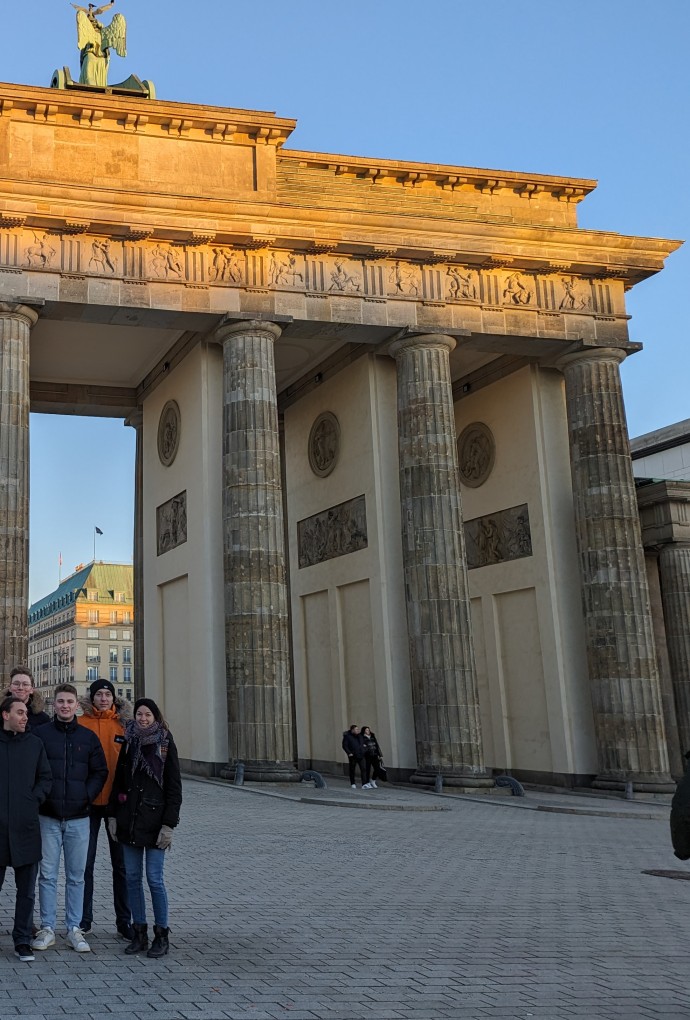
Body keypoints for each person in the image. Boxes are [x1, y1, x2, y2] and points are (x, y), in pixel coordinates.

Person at [31, 684, 108, 954]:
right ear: (55, 704)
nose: (65, 706)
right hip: (48, 816)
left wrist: (85, 796)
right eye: (61, 701)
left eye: (69, 702)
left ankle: (74, 927)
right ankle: (47, 927)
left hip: (79, 817)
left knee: (76, 876)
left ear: (77, 705)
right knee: (48, 875)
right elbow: (33, 770)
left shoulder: (88, 737)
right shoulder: (40, 735)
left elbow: (100, 771)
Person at [108, 698, 182, 958]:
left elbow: (174, 787)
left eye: (147, 714)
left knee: (154, 879)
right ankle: (139, 932)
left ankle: (161, 934)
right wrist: (113, 816)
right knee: (132, 878)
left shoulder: (164, 742)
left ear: (155, 716)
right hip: (129, 820)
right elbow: (118, 780)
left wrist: (169, 825)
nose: (142, 718)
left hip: (154, 821)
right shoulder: (129, 740)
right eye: (139, 714)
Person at [78, 679, 133, 940]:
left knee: (121, 866)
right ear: (92, 697)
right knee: (84, 865)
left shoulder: (124, 725)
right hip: (87, 804)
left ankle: (125, 921)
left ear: (113, 698)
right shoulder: (81, 724)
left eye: (107, 693)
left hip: (116, 806)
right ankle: (83, 920)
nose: (103, 698)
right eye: (98, 694)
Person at [0, 696, 52, 962]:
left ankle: (22, 940)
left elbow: (46, 777)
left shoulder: (35, 744)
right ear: (5, 715)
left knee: (27, 891)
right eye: (19, 712)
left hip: (26, 828)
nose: (25, 717)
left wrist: (35, 798)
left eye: (26, 713)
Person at [4, 667, 50, 732]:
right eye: (16, 684)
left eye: (25, 684)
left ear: (31, 689)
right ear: (10, 688)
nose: (20, 688)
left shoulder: (43, 719)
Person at [342, 724, 366, 789]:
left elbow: (363, 743)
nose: (358, 730)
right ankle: (353, 783)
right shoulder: (347, 736)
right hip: (353, 755)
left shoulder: (360, 736)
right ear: (352, 730)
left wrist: (364, 749)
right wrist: (349, 753)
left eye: (358, 729)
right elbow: (345, 746)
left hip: (361, 755)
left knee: (363, 769)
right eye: (356, 729)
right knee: (352, 769)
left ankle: (364, 784)